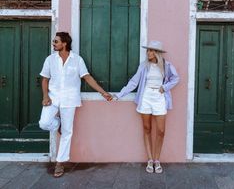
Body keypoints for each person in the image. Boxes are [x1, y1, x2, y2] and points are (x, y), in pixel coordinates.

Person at [38, 32, 112, 177]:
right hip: (53, 98)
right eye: (54, 41)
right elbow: (45, 79)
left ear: (64, 43)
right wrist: (45, 96)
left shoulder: (77, 60)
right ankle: (57, 124)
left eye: (56, 41)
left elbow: (87, 77)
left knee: (67, 132)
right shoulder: (50, 59)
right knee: (44, 123)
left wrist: (103, 92)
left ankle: (60, 163)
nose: (53, 43)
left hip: (70, 99)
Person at [114, 40, 179, 174]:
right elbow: (134, 82)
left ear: (158, 53)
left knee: (161, 131)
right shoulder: (144, 66)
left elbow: (176, 78)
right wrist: (119, 95)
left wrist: (164, 87)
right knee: (147, 128)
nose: (148, 52)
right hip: (146, 97)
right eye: (148, 50)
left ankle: (157, 159)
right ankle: (150, 160)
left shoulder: (166, 66)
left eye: (151, 50)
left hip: (159, 97)